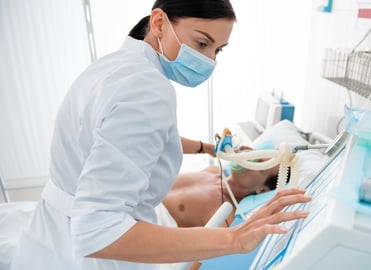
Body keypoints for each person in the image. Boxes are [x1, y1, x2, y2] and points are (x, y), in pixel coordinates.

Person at [10, 1, 310, 269]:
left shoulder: (113, 68)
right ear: (158, 23)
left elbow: (132, 143)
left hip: (46, 238)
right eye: (202, 43)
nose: (210, 61)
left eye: (217, 50)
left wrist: (207, 147)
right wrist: (235, 239)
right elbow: (97, 232)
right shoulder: (148, 90)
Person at [162, 161, 288, 228]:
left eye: (261, 168)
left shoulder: (225, 216)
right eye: (257, 158)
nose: (250, 162)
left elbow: (194, 263)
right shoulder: (213, 170)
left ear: (262, 190)